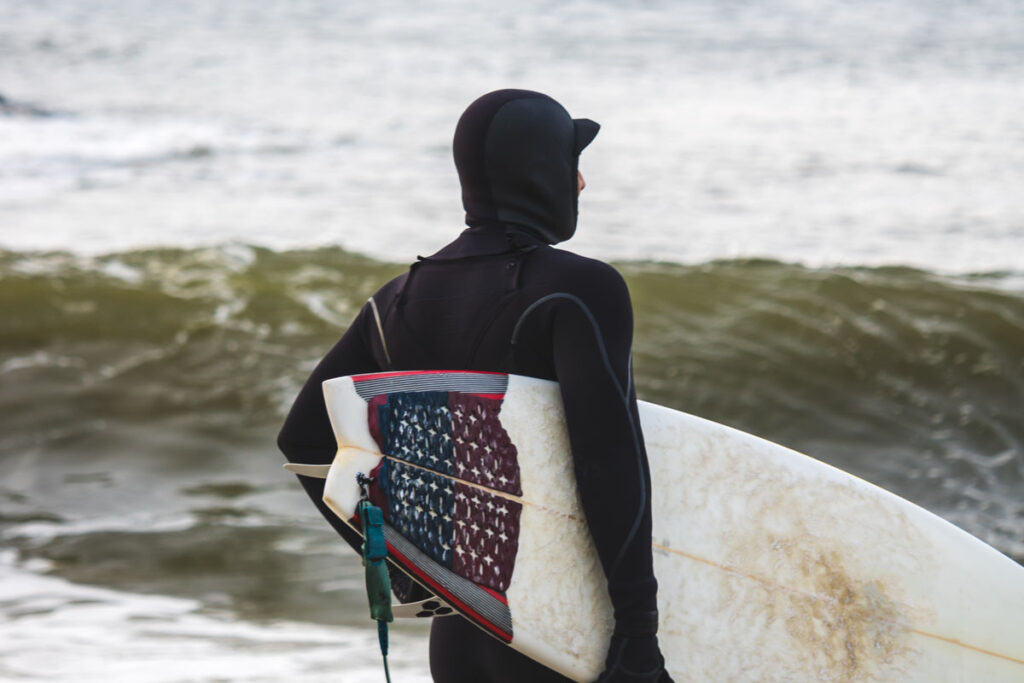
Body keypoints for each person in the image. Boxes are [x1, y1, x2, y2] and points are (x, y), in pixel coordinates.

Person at [278, 89, 672, 683]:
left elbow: (305, 442)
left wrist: (412, 570)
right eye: (572, 163)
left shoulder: (395, 300)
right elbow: (607, 461)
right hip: (563, 633)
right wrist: (638, 633)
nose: (583, 183)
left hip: (463, 634)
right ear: (542, 172)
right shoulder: (579, 289)